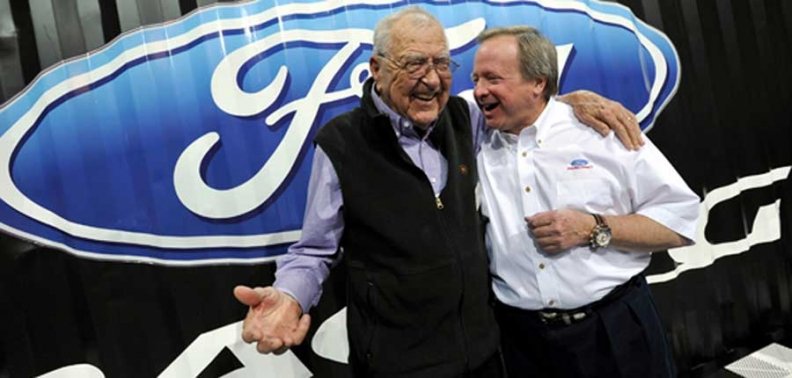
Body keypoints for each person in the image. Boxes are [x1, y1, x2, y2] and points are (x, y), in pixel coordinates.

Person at [233, 8, 642, 377]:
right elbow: (315, 251)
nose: (431, 79)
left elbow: (522, 104)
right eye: (414, 64)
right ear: (377, 68)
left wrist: (572, 101)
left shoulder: (467, 117)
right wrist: (289, 297)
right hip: (399, 366)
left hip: (486, 356)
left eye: (442, 64)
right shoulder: (341, 143)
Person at [472, 26, 699, 377]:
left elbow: (680, 222)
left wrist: (594, 228)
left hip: (614, 332)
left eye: (492, 78)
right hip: (522, 344)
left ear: (537, 82)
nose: (478, 91)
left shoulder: (603, 131)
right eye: (475, 79)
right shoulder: (474, 141)